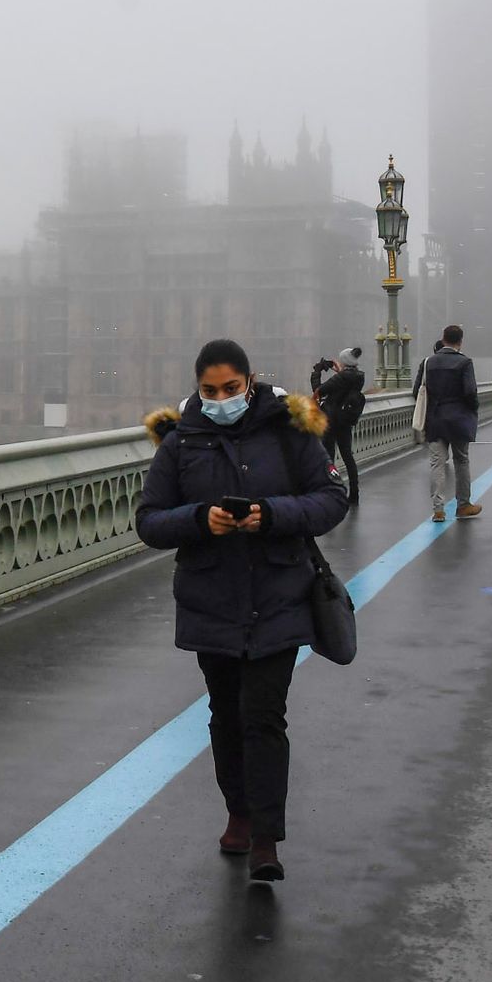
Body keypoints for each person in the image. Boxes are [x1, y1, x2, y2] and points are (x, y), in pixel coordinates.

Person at [138, 339, 347, 883]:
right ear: (197, 388)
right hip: (212, 599)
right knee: (226, 716)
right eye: (210, 391)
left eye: (231, 389)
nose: (221, 399)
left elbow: (330, 500)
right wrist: (200, 519)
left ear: (250, 382)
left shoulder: (288, 429)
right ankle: (237, 810)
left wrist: (270, 515)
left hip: (279, 594)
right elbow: (150, 520)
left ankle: (265, 838)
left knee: (263, 715)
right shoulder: (181, 441)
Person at [422, 324, 483, 522]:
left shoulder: (428, 362)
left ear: (443, 338)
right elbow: (470, 392)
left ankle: (438, 509)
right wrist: (472, 409)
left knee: (436, 464)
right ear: (460, 341)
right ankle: (463, 505)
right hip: (458, 419)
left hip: (435, 419)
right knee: (461, 460)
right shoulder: (464, 363)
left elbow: (418, 391)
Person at [311, 346, 367, 507]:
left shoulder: (342, 377)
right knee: (347, 456)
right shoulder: (358, 376)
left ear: (345, 362)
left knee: (328, 456)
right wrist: (339, 370)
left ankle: (332, 491)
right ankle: (354, 493)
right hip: (345, 420)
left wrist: (317, 371)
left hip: (332, 419)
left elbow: (318, 391)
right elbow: (344, 385)